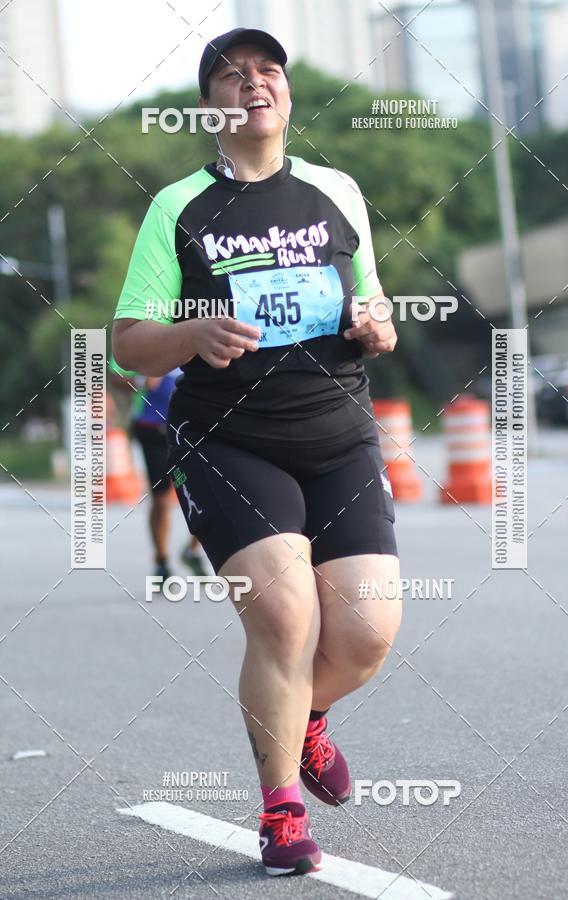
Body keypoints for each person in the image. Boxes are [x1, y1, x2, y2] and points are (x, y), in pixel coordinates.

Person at [111, 27, 402, 877]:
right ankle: (279, 813)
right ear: (211, 107)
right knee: (283, 617)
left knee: (366, 635)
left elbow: (377, 312)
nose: (253, 85)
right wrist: (190, 332)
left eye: (267, 72)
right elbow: (129, 342)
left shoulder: (335, 189)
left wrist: (376, 326)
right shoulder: (178, 207)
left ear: (285, 93)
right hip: (228, 441)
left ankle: (302, 720)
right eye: (232, 77)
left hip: (341, 436)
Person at [108, 360, 208, 581]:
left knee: (209, 494)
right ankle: (161, 561)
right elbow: (115, 375)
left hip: (191, 426)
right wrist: (142, 380)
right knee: (162, 499)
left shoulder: (195, 326)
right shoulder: (141, 328)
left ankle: (192, 551)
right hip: (153, 428)